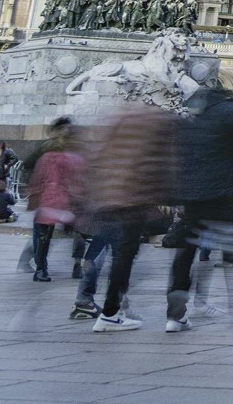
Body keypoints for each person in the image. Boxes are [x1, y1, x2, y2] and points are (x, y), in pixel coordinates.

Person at [168, 84, 233, 341]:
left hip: (191, 192)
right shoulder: (225, 110)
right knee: (228, 247)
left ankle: (175, 314)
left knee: (188, 250)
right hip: (220, 191)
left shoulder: (191, 116)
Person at [80, 106, 175, 332]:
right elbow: (157, 169)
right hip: (132, 204)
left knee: (108, 253)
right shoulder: (153, 134)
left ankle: (101, 304)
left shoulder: (118, 127)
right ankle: (111, 312)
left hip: (107, 200)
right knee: (123, 256)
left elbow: (97, 161)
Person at [26, 121, 84, 283]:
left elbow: (28, 165)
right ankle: (77, 265)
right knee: (77, 233)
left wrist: (35, 191)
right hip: (69, 201)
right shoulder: (77, 154)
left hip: (48, 199)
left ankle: (40, 269)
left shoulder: (46, 151)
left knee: (42, 235)